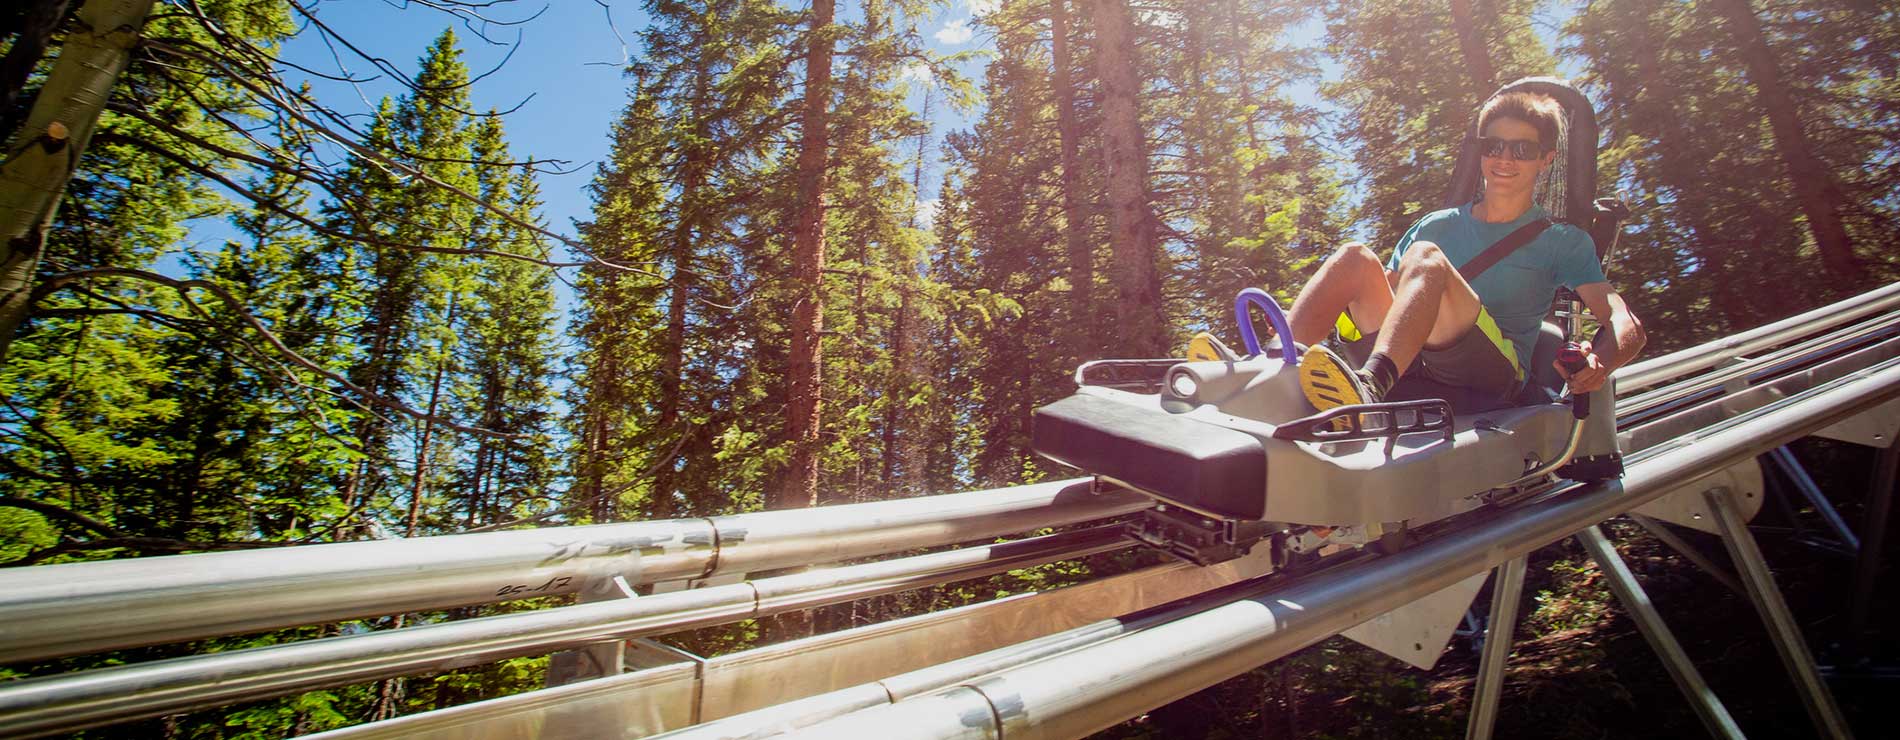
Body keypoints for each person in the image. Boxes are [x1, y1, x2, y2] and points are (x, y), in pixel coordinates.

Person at [1288, 91, 1645, 413]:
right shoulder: (1435, 224)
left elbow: (1624, 322)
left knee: (1427, 259)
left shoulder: (1562, 241)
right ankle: (1274, 365)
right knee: (1354, 258)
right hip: (1411, 362)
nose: (1504, 158)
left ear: (1546, 159)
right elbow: (1391, 294)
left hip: (1490, 378)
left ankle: (1370, 388)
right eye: (1494, 146)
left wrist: (1600, 362)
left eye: (1522, 149)